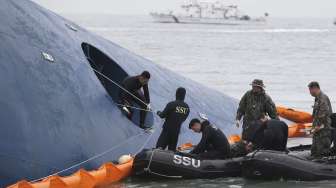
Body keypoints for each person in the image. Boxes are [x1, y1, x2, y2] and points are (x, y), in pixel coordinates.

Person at [308, 81, 333, 158]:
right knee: (314, 151)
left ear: (315, 88)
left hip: (323, 130)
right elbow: (315, 115)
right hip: (318, 130)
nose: (310, 93)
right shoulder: (317, 98)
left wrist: (317, 127)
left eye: (310, 90)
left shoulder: (323, 98)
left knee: (322, 152)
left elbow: (323, 114)